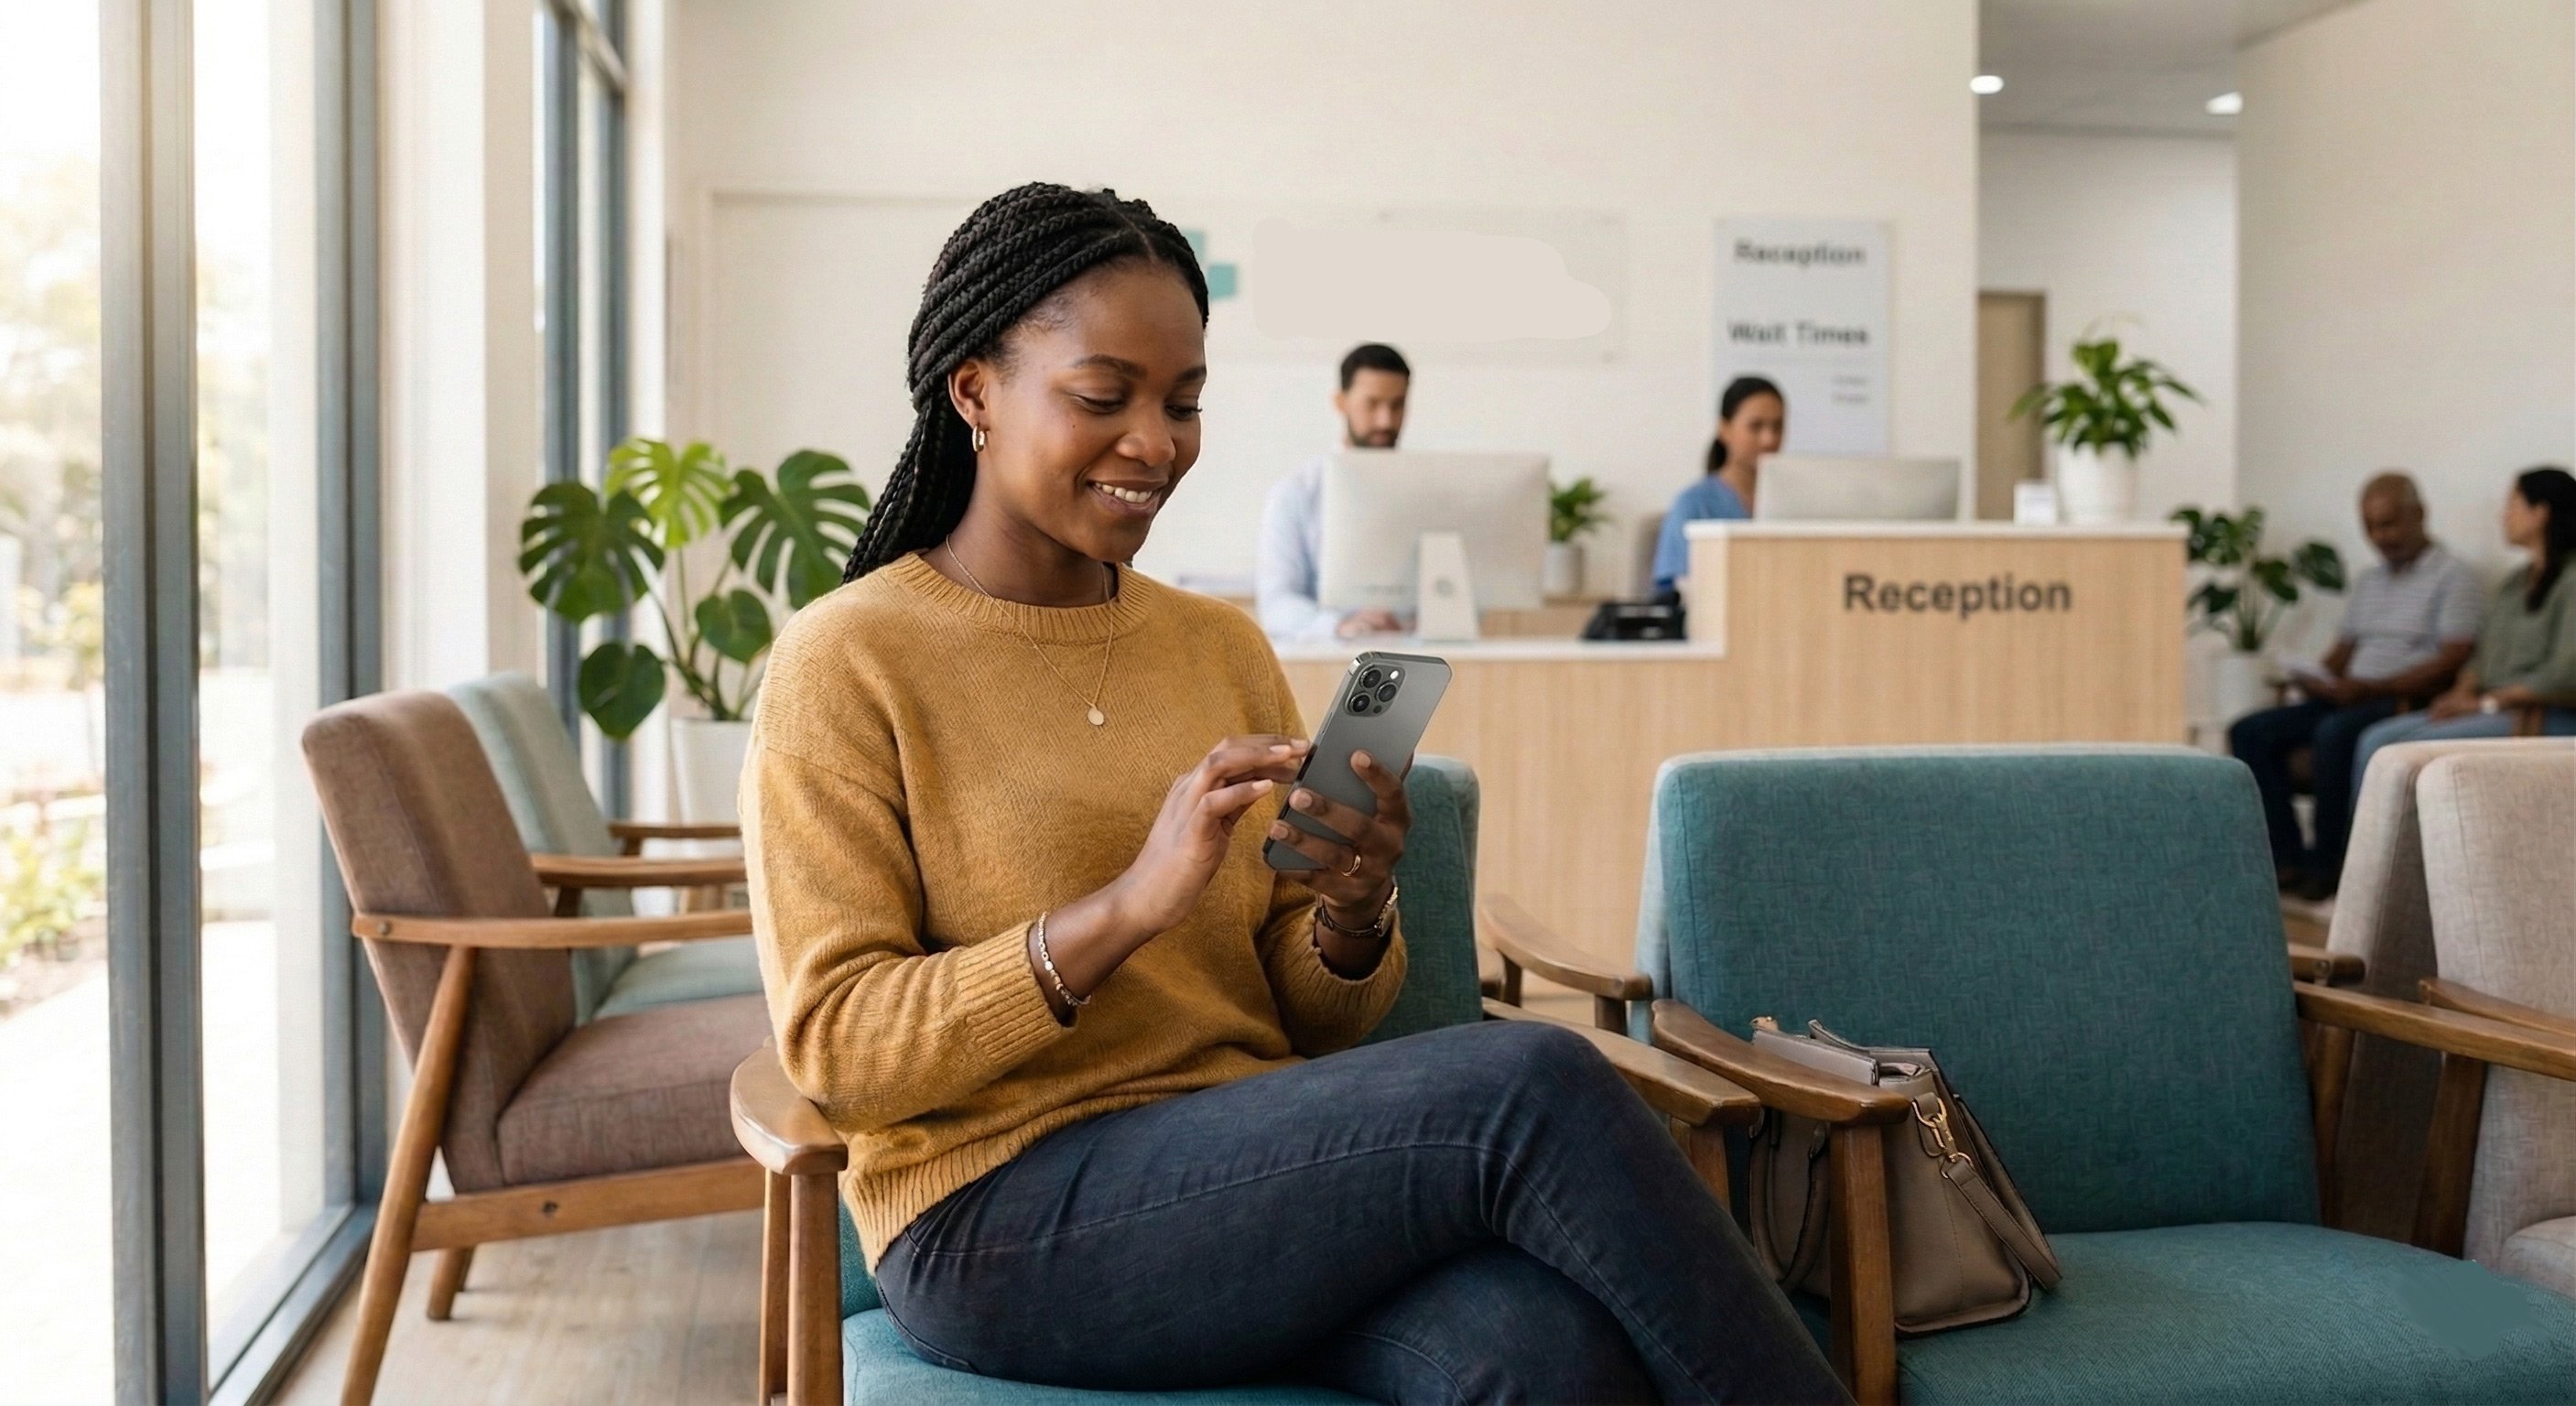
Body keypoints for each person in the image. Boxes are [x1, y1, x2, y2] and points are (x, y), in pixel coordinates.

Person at [742, 183, 1845, 1404]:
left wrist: (1351, 910)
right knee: (1534, 1081)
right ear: (972, 392)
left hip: (1250, 1187)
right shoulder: (847, 658)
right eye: (1102, 397)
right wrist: (1125, 909)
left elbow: (1311, 1018)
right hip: (997, 1221)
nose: (1155, 441)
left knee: (1544, 1359)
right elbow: (839, 1050)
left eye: (1183, 400)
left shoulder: (1217, 648)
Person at [2230, 473, 2483, 899]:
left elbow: (2452, 658)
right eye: (2370, 527)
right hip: (2348, 695)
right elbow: (2344, 651)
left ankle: (2329, 864)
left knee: (2334, 735)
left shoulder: (2454, 576)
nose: (2380, 536)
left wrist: (2369, 688)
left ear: (2418, 515)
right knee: (2249, 730)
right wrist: (2315, 677)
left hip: (2398, 700)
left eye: (2389, 524)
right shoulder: (2370, 581)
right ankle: (2285, 859)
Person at [2349, 466, 2576, 803]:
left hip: (2544, 716)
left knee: (2397, 751)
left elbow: (2564, 675)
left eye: (2513, 503)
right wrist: (2458, 696)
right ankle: (2368, 854)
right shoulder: (2515, 584)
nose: (2504, 515)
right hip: (2492, 708)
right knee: (2374, 739)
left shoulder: (2571, 580)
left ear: (2540, 513)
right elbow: (2482, 657)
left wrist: (2486, 702)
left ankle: (2401, 852)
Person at [1254, 343, 1414, 641]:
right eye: (1373, 404)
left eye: (1397, 405)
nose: (1386, 421)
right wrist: (1338, 626)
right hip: (1328, 660)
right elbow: (1275, 605)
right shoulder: (1296, 493)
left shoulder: (1426, 490)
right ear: (1341, 403)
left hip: (1418, 651)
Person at [1651, 375, 1786, 592]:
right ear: (1725, 430)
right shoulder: (1694, 504)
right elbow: (1674, 590)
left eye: (1778, 427)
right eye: (1756, 426)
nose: (1769, 439)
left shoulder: (1795, 501)